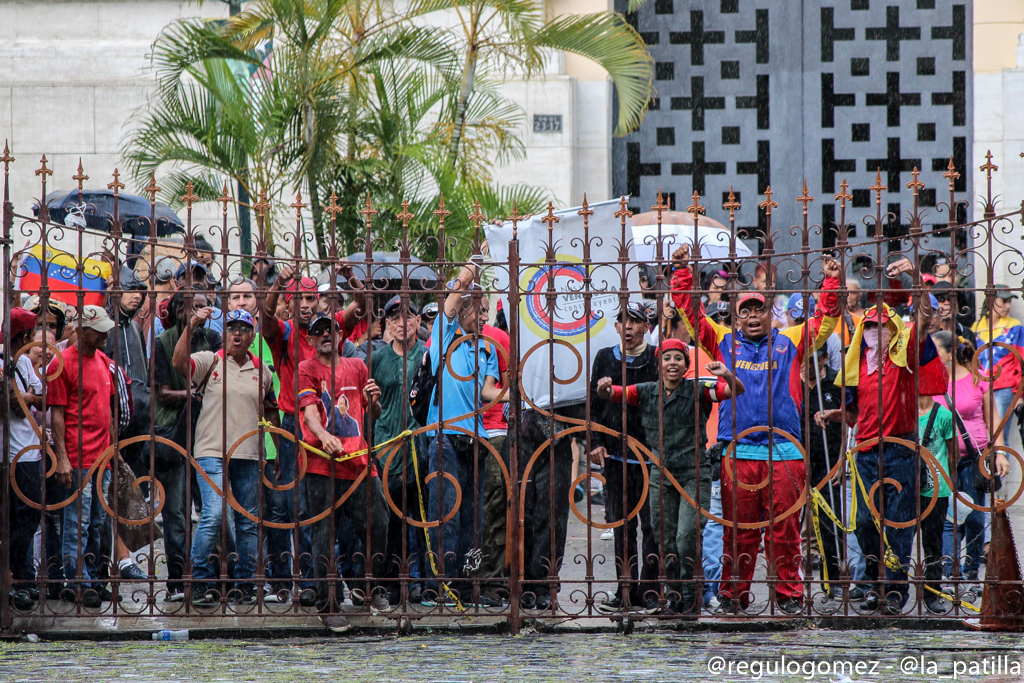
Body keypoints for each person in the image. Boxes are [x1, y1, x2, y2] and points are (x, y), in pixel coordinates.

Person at [672, 244, 841, 614]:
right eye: (744, 310)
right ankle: (734, 596)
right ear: (735, 316)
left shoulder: (791, 340)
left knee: (786, 533)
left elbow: (827, 318)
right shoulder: (721, 339)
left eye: (758, 309)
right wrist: (683, 271)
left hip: (785, 452)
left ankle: (789, 596)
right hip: (739, 452)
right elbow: (689, 313)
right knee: (739, 533)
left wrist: (831, 280)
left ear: (769, 313)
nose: (751, 316)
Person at [816, 259, 947, 614]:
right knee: (863, 522)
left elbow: (920, 321)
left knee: (899, 524)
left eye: (882, 327)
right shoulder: (857, 369)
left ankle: (895, 589)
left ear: (893, 331)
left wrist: (916, 276)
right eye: (870, 328)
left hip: (902, 450)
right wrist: (836, 414)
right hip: (865, 453)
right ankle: (873, 581)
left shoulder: (906, 360)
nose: (876, 332)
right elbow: (855, 413)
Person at [597, 339, 743, 616]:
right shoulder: (645, 392)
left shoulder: (699, 391)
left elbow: (735, 390)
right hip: (660, 475)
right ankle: (674, 596)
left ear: (686, 365)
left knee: (686, 535)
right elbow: (613, 394)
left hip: (692, 474)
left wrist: (725, 374)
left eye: (678, 358)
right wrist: (603, 388)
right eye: (667, 358)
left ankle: (691, 598)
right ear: (659, 364)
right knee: (665, 539)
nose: (672, 363)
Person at [260, 264, 364, 603]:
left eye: (311, 298)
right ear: (288, 303)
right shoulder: (286, 333)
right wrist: (276, 284)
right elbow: (263, 320)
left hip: (338, 427)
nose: (306, 305)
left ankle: (350, 580)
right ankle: (308, 581)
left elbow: (361, 306)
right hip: (296, 427)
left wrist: (350, 277)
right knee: (302, 507)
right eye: (299, 299)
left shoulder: (329, 327)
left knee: (344, 505)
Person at [172, 308, 277, 604]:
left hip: (249, 453)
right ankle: (200, 581)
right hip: (211, 450)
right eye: (232, 328)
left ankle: (246, 583)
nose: (237, 334)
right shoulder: (211, 359)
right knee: (214, 514)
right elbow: (179, 362)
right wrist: (191, 325)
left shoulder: (262, 370)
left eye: (243, 329)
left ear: (252, 336)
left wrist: (277, 451)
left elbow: (271, 410)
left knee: (247, 520)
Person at [298, 312, 388, 632]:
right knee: (324, 534)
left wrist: (373, 401)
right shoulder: (306, 369)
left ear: (340, 336)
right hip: (321, 463)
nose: (325, 335)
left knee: (379, 522)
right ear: (310, 339)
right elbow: (310, 414)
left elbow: (371, 413)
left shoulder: (358, 366)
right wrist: (324, 437)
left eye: (330, 330)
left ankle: (367, 585)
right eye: (318, 331)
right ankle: (328, 604)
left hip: (360, 461)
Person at [425, 255, 504, 606]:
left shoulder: (486, 345)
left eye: (487, 311)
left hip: (476, 438)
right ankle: (441, 586)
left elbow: (488, 391)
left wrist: (515, 391)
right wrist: (474, 266)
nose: (485, 317)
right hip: (444, 436)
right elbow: (452, 297)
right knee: (446, 516)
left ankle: (468, 585)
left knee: (474, 519)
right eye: (480, 310)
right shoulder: (445, 335)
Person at [588, 301, 660, 614]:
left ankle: (651, 592)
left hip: (649, 454)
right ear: (616, 326)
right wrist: (594, 442)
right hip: (615, 456)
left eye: (635, 321)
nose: (628, 327)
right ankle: (625, 590)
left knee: (652, 526)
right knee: (622, 526)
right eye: (623, 321)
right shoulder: (605, 357)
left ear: (647, 326)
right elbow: (593, 403)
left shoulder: (657, 358)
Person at [152, 288, 222, 602]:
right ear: (180, 311)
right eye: (193, 308)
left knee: (212, 509)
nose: (200, 312)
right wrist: (192, 394)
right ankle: (178, 580)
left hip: (208, 430)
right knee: (177, 513)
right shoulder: (163, 342)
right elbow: (163, 393)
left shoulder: (213, 340)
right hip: (174, 431)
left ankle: (210, 578)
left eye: (204, 306)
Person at [47, 305, 117, 607]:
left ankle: (92, 577)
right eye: (99, 330)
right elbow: (57, 415)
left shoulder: (102, 360)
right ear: (83, 330)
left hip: (102, 458)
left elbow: (107, 409)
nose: (104, 335)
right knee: (79, 522)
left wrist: (114, 451)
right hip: (78, 457)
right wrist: (62, 457)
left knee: (98, 522)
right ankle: (77, 581)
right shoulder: (62, 364)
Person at [932, 332, 1011, 590]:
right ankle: (949, 573)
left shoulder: (976, 377)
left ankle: (971, 573)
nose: (930, 353)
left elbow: (994, 418)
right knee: (948, 518)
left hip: (975, 458)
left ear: (949, 352)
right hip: (942, 459)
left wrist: (1000, 452)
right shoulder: (931, 379)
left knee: (976, 517)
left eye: (935, 349)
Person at [370, 296, 428, 604]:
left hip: (419, 446)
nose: (402, 322)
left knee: (418, 516)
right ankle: (391, 583)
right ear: (388, 325)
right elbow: (369, 407)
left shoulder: (428, 357)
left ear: (418, 322)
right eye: (395, 318)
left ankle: (418, 581)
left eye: (408, 316)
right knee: (390, 518)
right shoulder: (378, 359)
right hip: (385, 446)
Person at [3, 308, 44, 609]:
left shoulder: (26, 362)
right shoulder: (5, 363)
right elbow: (13, 404)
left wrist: (27, 396)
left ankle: (21, 576)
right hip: (8, 453)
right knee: (10, 517)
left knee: (29, 515)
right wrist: (27, 397)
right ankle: (13, 577)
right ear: (25, 336)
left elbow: (39, 397)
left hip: (29, 453)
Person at [800, 345, 844, 602]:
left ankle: (833, 581)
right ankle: (789, 586)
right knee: (789, 524)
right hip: (797, 461)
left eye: (813, 359)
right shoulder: (792, 383)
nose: (807, 364)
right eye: (804, 359)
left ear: (825, 358)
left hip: (828, 463)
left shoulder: (836, 382)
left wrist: (841, 461)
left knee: (829, 523)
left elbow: (850, 419)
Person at [476, 310, 511, 606]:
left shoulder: (498, 338)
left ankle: (493, 579)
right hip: (458, 431)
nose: (481, 312)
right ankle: (466, 578)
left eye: (484, 306)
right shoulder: (447, 337)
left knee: (493, 506)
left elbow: (510, 386)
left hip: (494, 430)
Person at [917, 387, 955, 614]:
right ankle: (894, 592)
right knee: (898, 542)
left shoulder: (944, 415)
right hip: (909, 488)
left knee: (932, 543)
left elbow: (953, 453)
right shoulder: (905, 412)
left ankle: (932, 592)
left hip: (936, 489)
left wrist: (951, 483)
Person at [972, 286, 1024, 446]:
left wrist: (1019, 394)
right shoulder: (976, 328)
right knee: (982, 438)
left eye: (1009, 302)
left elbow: (1021, 361)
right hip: (980, 388)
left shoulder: (1015, 327)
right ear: (990, 301)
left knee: (999, 438)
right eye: (1004, 301)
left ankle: (999, 470)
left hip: (1004, 388)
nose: (1008, 306)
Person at [930, 281, 977, 348]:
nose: (947, 303)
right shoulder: (930, 332)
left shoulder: (966, 332)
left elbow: (973, 358)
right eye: (941, 299)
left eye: (951, 299)